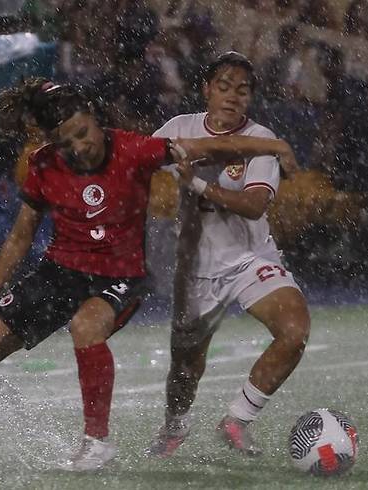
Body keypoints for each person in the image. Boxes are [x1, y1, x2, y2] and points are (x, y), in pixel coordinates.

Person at [0, 77, 298, 471]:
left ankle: (96, 443)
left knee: (86, 326)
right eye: (67, 142)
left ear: (94, 118)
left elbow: (210, 147)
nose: (80, 146)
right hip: (60, 271)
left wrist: (274, 145)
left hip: (120, 276)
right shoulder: (43, 165)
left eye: (83, 132)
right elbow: (18, 239)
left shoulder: (135, 149)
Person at [146, 52, 311, 458]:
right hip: (196, 271)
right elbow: (143, 172)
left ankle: (237, 419)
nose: (232, 97)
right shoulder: (178, 128)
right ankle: (174, 427)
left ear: (250, 98)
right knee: (186, 368)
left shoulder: (260, 139)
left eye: (242, 90)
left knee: (294, 331)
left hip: (248, 258)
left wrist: (198, 187)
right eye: (223, 86)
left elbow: (255, 205)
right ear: (206, 90)